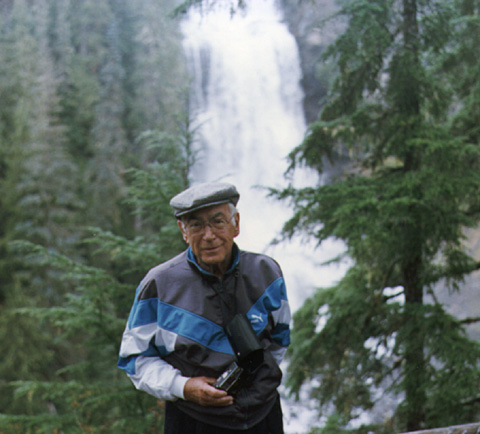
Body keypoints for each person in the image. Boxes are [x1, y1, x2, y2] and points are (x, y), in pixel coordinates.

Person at [118, 182, 291, 433]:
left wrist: (257, 385)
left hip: (263, 417)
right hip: (194, 420)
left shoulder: (267, 273)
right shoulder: (159, 285)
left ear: (236, 224)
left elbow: (280, 340)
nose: (209, 235)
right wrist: (183, 387)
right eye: (196, 225)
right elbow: (135, 357)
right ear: (183, 231)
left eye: (218, 221)